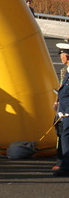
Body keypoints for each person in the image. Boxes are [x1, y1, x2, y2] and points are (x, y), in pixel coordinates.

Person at [53, 42, 69, 177]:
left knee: (66, 138)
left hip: (68, 113)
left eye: (62, 55)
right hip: (64, 112)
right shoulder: (67, 71)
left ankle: (65, 167)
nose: (60, 58)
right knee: (64, 137)